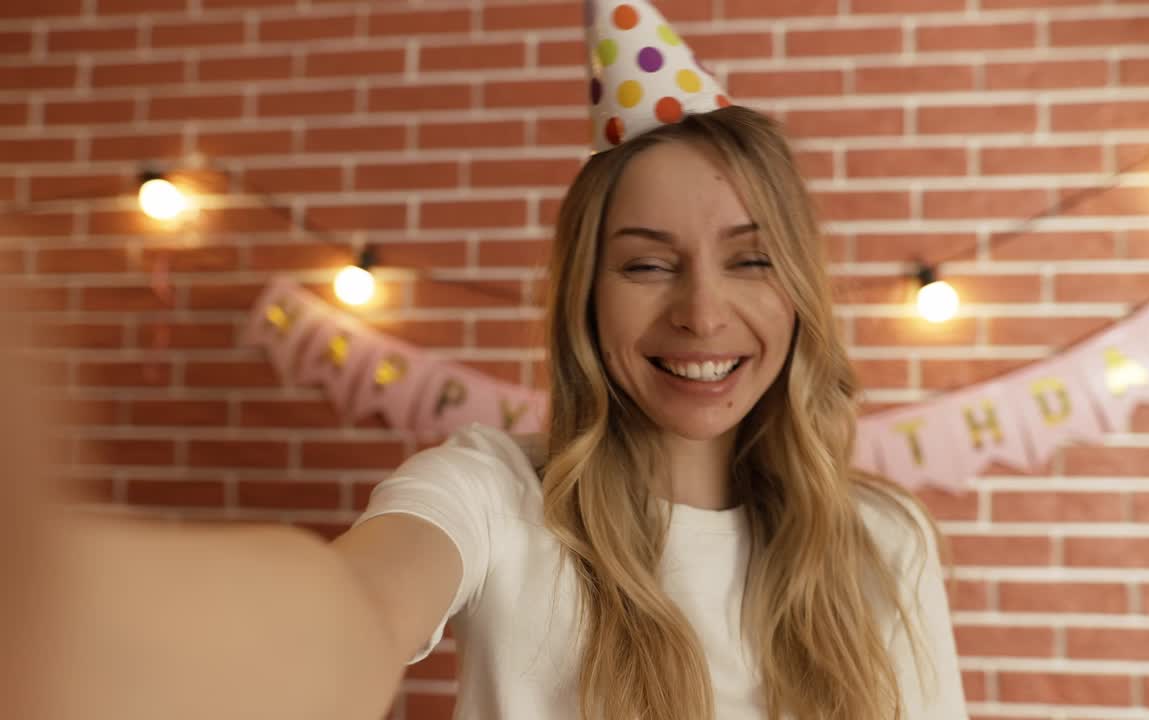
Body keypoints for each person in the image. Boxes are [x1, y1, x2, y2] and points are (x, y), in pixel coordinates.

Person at [3, 2, 967, 719]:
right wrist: (60, 613)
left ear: (798, 288)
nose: (702, 311)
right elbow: (355, 610)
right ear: (586, 298)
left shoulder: (886, 542)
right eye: (645, 264)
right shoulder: (495, 495)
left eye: (750, 259)